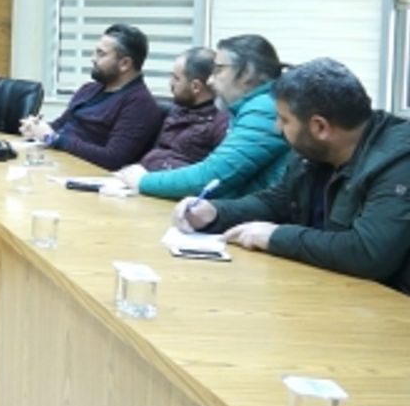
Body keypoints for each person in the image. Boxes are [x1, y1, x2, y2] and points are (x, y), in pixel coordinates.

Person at [173, 58, 410, 295]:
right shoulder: (314, 151)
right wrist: (215, 213)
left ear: (320, 127)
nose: (277, 128)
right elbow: (277, 201)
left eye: (284, 119)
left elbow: (369, 253)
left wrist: (275, 236)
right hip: (327, 289)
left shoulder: (398, 159)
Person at [117, 35, 289, 199]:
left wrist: (143, 181)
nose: (210, 81)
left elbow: (212, 176)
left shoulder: (264, 108)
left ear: (247, 73)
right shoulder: (252, 106)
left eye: (218, 70)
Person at [20, 24, 163, 170]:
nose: (93, 59)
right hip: (55, 163)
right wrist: (36, 128)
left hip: (85, 174)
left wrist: (54, 139)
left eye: (101, 54)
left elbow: (113, 159)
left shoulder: (140, 104)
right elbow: (60, 125)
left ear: (124, 64)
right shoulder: (89, 89)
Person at [114, 48, 228, 181]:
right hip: (137, 178)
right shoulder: (176, 110)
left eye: (176, 78)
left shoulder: (217, 125)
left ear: (196, 86)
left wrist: (146, 176)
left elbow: (206, 176)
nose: (170, 83)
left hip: (164, 186)